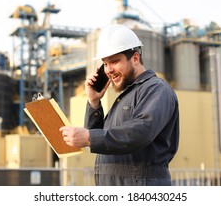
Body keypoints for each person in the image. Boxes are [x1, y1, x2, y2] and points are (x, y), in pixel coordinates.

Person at [60, 23, 179, 186]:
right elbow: (99, 138)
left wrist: (88, 137)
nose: (108, 70)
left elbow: (141, 132)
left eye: (114, 62)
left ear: (135, 58)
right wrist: (94, 102)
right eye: (105, 64)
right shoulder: (127, 95)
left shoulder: (156, 89)